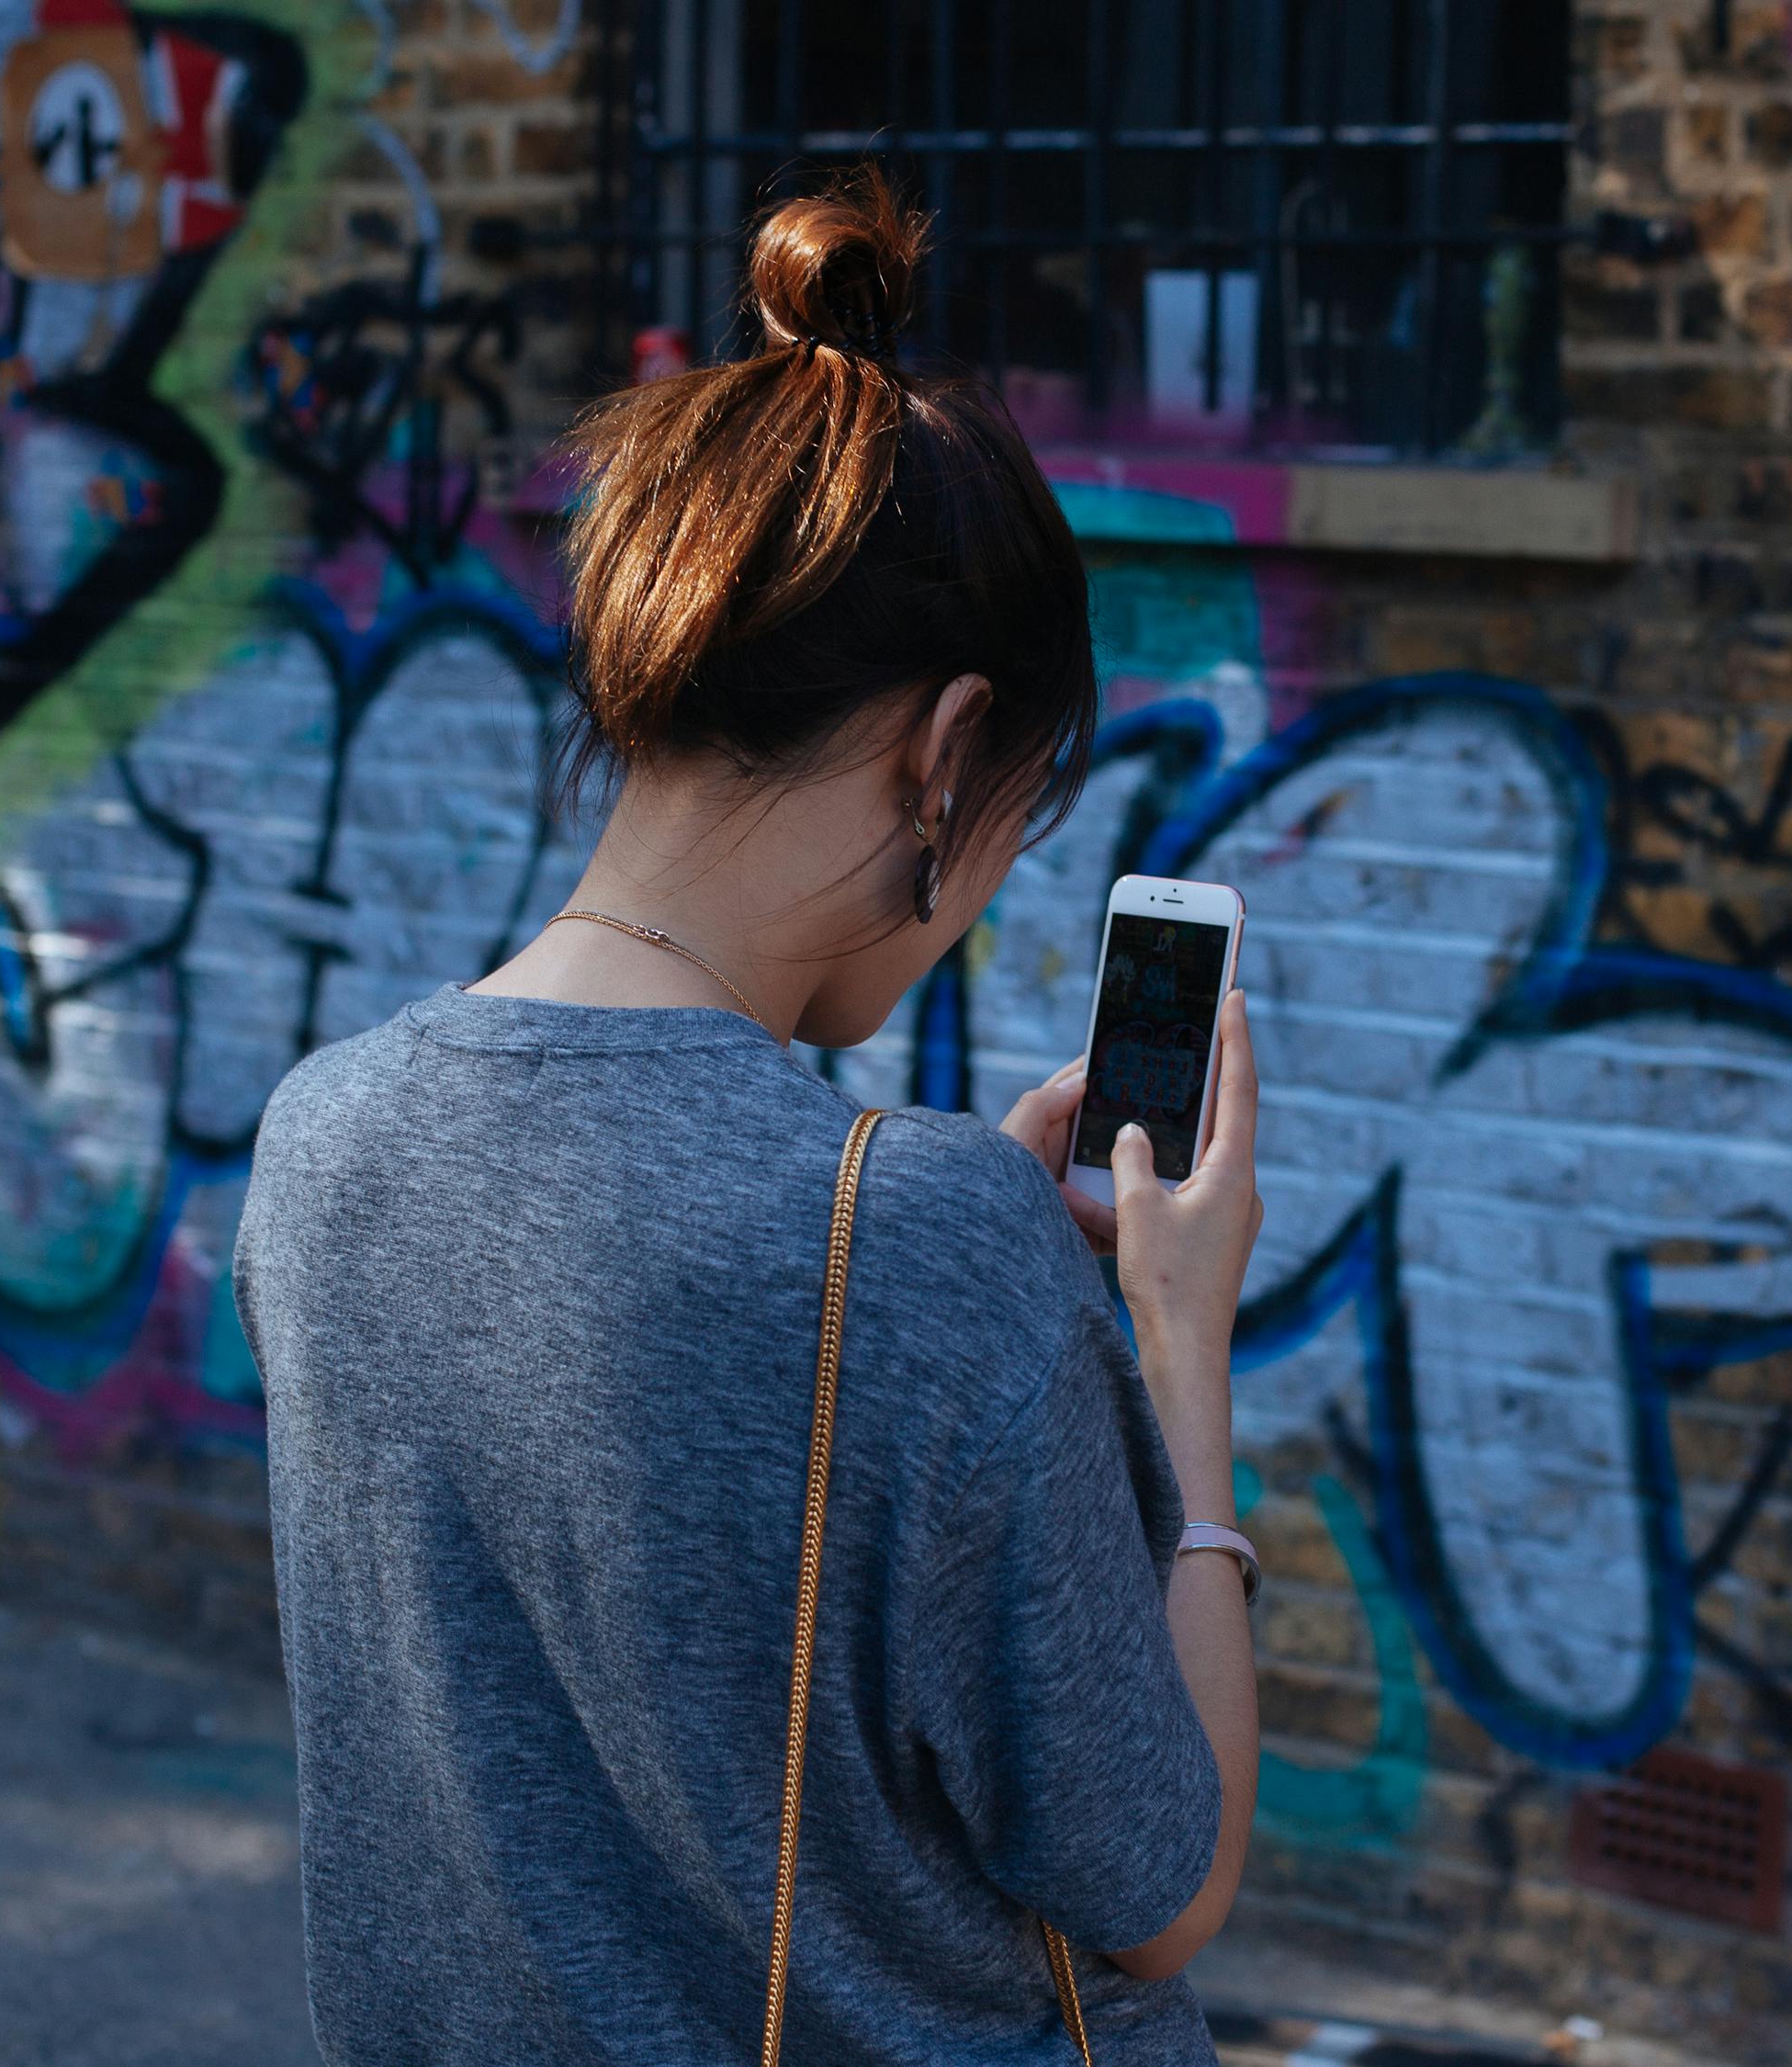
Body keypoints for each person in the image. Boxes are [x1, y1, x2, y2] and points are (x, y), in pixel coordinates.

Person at [236, 173, 1261, 2066]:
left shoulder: (318, 1146)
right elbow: (1166, 1879)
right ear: (946, 756)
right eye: (1015, 823)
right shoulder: (929, 1239)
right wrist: (1179, 1343)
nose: (982, 893)